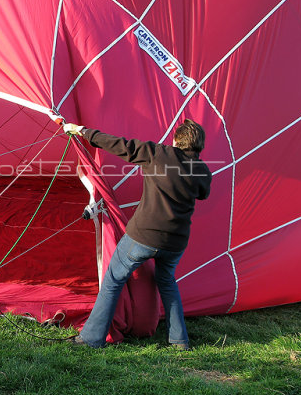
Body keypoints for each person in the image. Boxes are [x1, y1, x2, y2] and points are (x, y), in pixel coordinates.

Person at [63, 119, 212, 349]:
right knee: (167, 282)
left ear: (176, 140)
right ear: (198, 145)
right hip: (175, 242)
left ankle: (92, 338)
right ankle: (179, 340)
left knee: (113, 279)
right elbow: (203, 194)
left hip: (144, 236)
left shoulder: (158, 154)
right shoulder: (202, 171)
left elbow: (119, 145)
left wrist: (83, 131)